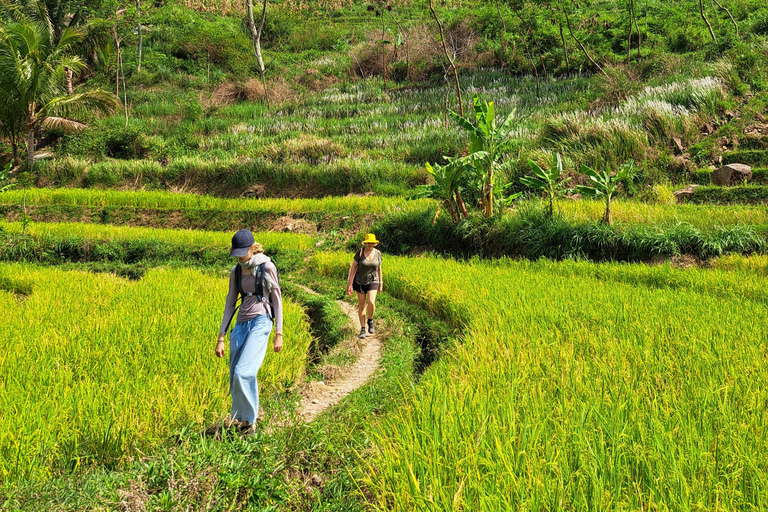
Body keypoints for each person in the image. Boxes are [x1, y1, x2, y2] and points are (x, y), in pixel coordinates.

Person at [216, 229, 283, 431]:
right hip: (240, 324)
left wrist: (278, 333)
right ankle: (241, 420)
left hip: (261, 321)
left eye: (242, 252)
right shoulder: (236, 271)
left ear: (252, 249)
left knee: (243, 372)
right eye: (236, 252)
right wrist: (221, 336)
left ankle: (250, 423)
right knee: (234, 374)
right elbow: (230, 302)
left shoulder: (267, 266)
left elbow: (277, 300)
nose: (239, 256)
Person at [346, 233, 383, 339]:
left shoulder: (378, 253)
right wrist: (350, 283)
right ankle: (362, 329)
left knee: (371, 302)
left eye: (372, 243)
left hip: (373, 280)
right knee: (362, 305)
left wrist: (381, 283)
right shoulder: (360, 252)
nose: (370, 244)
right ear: (365, 243)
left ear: (375, 243)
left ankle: (370, 320)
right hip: (360, 281)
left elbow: (379, 269)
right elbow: (354, 267)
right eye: (368, 243)